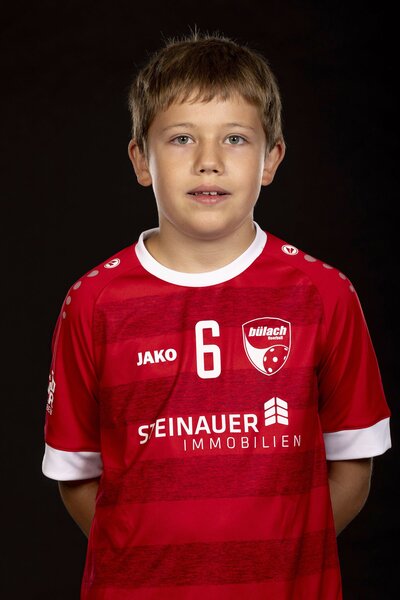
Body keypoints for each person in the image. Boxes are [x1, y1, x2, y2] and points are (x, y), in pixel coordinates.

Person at [42, 30, 391, 600]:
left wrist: (270, 560)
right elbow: (77, 475)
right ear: (141, 160)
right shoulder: (93, 301)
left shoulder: (324, 294)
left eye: (235, 138)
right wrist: (155, 563)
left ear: (271, 159)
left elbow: (352, 466)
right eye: (181, 138)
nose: (209, 162)